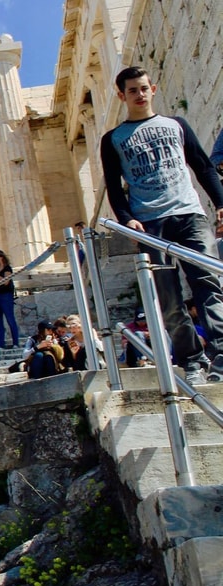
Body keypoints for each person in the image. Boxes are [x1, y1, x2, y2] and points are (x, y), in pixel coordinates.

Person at [102, 66, 223, 383]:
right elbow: (114, 188)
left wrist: (221, 203)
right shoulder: (112, 139)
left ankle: (222, 354)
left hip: (190, 214)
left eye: (143, 88)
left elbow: (203, 167)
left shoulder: (177, 125)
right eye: (132, 90)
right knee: (168, 299)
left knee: (209, 285)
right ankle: (192, 359)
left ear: (152, 89)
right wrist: (126, 219)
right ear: (122, 95)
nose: (139, 95)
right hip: (150, 223)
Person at [0, 250, 20, 349]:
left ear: (1, 257)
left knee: (10, 320)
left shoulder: (7, 268)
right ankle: (0, 344)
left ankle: (15, 342)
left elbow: (6, 282)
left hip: (6, 296)